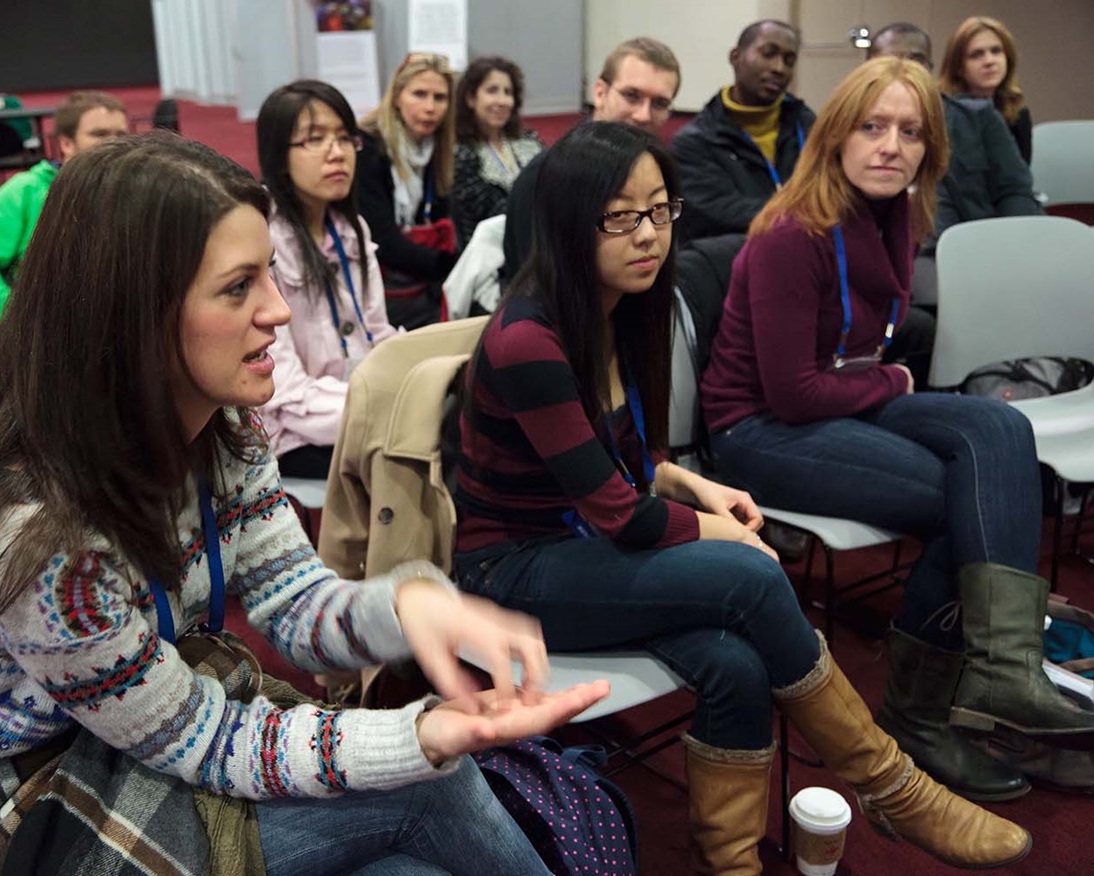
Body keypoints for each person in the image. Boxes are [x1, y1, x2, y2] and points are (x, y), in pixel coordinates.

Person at [0, 132, 613, 875]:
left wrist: (407, 609)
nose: (276, 311)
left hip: (138, 748)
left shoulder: (225, 429)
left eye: (269, 274)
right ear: (130, 314)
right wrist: (422, 736)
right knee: (433, 785)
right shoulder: (33, 534)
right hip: (29, 816)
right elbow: (203, 740)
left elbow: (293, 605)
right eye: (238, 288)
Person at [454, 120, 1029, 874]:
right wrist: (722, 535)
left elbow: (629, 463)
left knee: (736, 664)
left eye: (661, 211)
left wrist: (697, 484)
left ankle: (733, 862)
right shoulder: (529, 336)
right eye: (622, 216)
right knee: (752, 574)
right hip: (512, 570)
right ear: (570, 222)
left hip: (581, 546)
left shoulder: (620, 308)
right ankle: (892, 785)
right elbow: (619, 512)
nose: (649, 235)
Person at [701, 56, 1094, 809]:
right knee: (965, 495)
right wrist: (896, 380)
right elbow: (792, 392)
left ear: (930, 148)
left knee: (1000, 426)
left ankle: (1005, 673)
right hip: (759, 428)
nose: (891, 146)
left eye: (910, 132)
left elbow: (857, 355)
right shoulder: (794, 231)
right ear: (838, 137)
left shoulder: (898, 214)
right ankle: (920, 719)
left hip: (842, 396)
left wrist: (884, 378)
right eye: (873, 127)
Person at [255, 80, 397, 479]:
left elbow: (376, 334)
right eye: (314, 140)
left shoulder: (352, 229)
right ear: (279, 156)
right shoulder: (260, 239)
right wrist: (381, 407)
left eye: (344, 138)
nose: (337, 153)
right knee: (405, 456)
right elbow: (282, 392)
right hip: (290, 431)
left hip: (352, 403)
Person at [867, 23, 1038, 305]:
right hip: (885, 252)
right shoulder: (853, 125)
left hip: (966, 250)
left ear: (931, 67)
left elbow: (1016, 191)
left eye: (916, 60)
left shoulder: (978, 117)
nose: (903, 70)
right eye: (890, 60)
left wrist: (1014, 257)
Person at [501, 37, 681, 281]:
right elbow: (539, 285)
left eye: (659, 103)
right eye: (631, 95)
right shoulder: (545, 175)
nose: (643, 115)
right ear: (600, 93)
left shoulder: (659, 173)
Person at [0, 90, 129, 327]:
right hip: (43, 338)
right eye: (99, 135)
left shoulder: (132, 191)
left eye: (121, 135)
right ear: (66, 142)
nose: (114, 144)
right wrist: (16, 317)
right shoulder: (27, 191)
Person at [672, 20, 816, 242]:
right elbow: (723, 212)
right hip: (732, 257)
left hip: (806, 248)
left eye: (789, 61)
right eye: (768, 54)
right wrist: (807, 212)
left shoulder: (808, 125)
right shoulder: (695, 141)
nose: (779, 68)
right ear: (735, 57)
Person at [357, 53, 458, 328]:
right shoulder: (367, 148)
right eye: (419, 94)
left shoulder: (435, 148)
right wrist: (450, 267)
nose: (430, 107)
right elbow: (383, 240)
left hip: (418, 271)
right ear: (397, 97)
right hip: (379, 276)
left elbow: (440, 217)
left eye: (439, 98)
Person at [450, 56, 543, 249]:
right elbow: (486, 214)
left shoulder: (529, 142)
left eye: (508, 92)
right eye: (492, 91)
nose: (502, 101)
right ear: (470, 98)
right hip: (491, 254)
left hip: (539, 243)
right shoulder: (461, 153)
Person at [941, 16, 1032, 164]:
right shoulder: (943, 114)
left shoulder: (1018, 115)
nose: (989, 61)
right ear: (958, 67)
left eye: (996, 51)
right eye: (977, 55)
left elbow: (1020, 182)